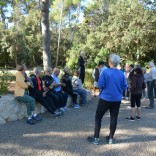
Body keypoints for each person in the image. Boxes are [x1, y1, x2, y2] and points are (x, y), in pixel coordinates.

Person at [87, 54, 127, 145]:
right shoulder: (121, 73)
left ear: (110, 62)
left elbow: (100, 85)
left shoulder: (105, 72)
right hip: (116, 99)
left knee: (98, 117)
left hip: (105, 98)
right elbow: (125, 87)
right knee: (114, 118)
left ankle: (96, 138)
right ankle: (111, 138)